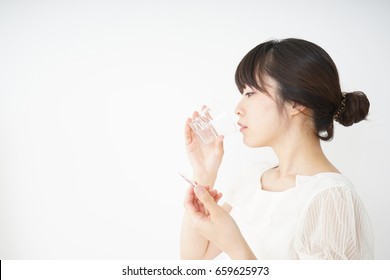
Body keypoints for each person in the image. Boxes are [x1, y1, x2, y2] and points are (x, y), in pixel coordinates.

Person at [180, 38, 374, 260]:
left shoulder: (331, 197)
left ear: (296, 102)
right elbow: (193, 264)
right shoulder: (253, 178)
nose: (238, 108)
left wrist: (236, 247)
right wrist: (204, 173)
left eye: (250, 93)